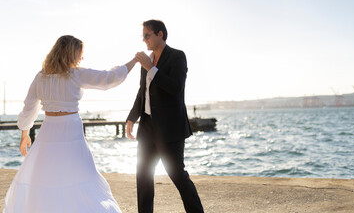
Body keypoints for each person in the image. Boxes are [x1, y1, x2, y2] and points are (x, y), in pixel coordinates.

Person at [4, 35, 137, 213]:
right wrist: (135, 61)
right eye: (79, 54)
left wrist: (24, 134)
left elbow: (29, 108)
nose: (81, 58)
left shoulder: (41, 76)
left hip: (49, 130)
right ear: (70, 53)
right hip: (70, 130)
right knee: (78, 174)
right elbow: (109, 79)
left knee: (47, 177)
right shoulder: (76, 74)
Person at [126, 20, 204, 213]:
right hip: (146, 127)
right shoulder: (148, 59)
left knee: (177, 175)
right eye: (142, 35)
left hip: (170, 128)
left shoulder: (177, 56)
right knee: (143, 175)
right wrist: (131, 118)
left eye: (147, 35)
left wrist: (150, 68)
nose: (144, 39)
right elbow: (141, 92)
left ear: (160, 34)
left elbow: (175, 88)